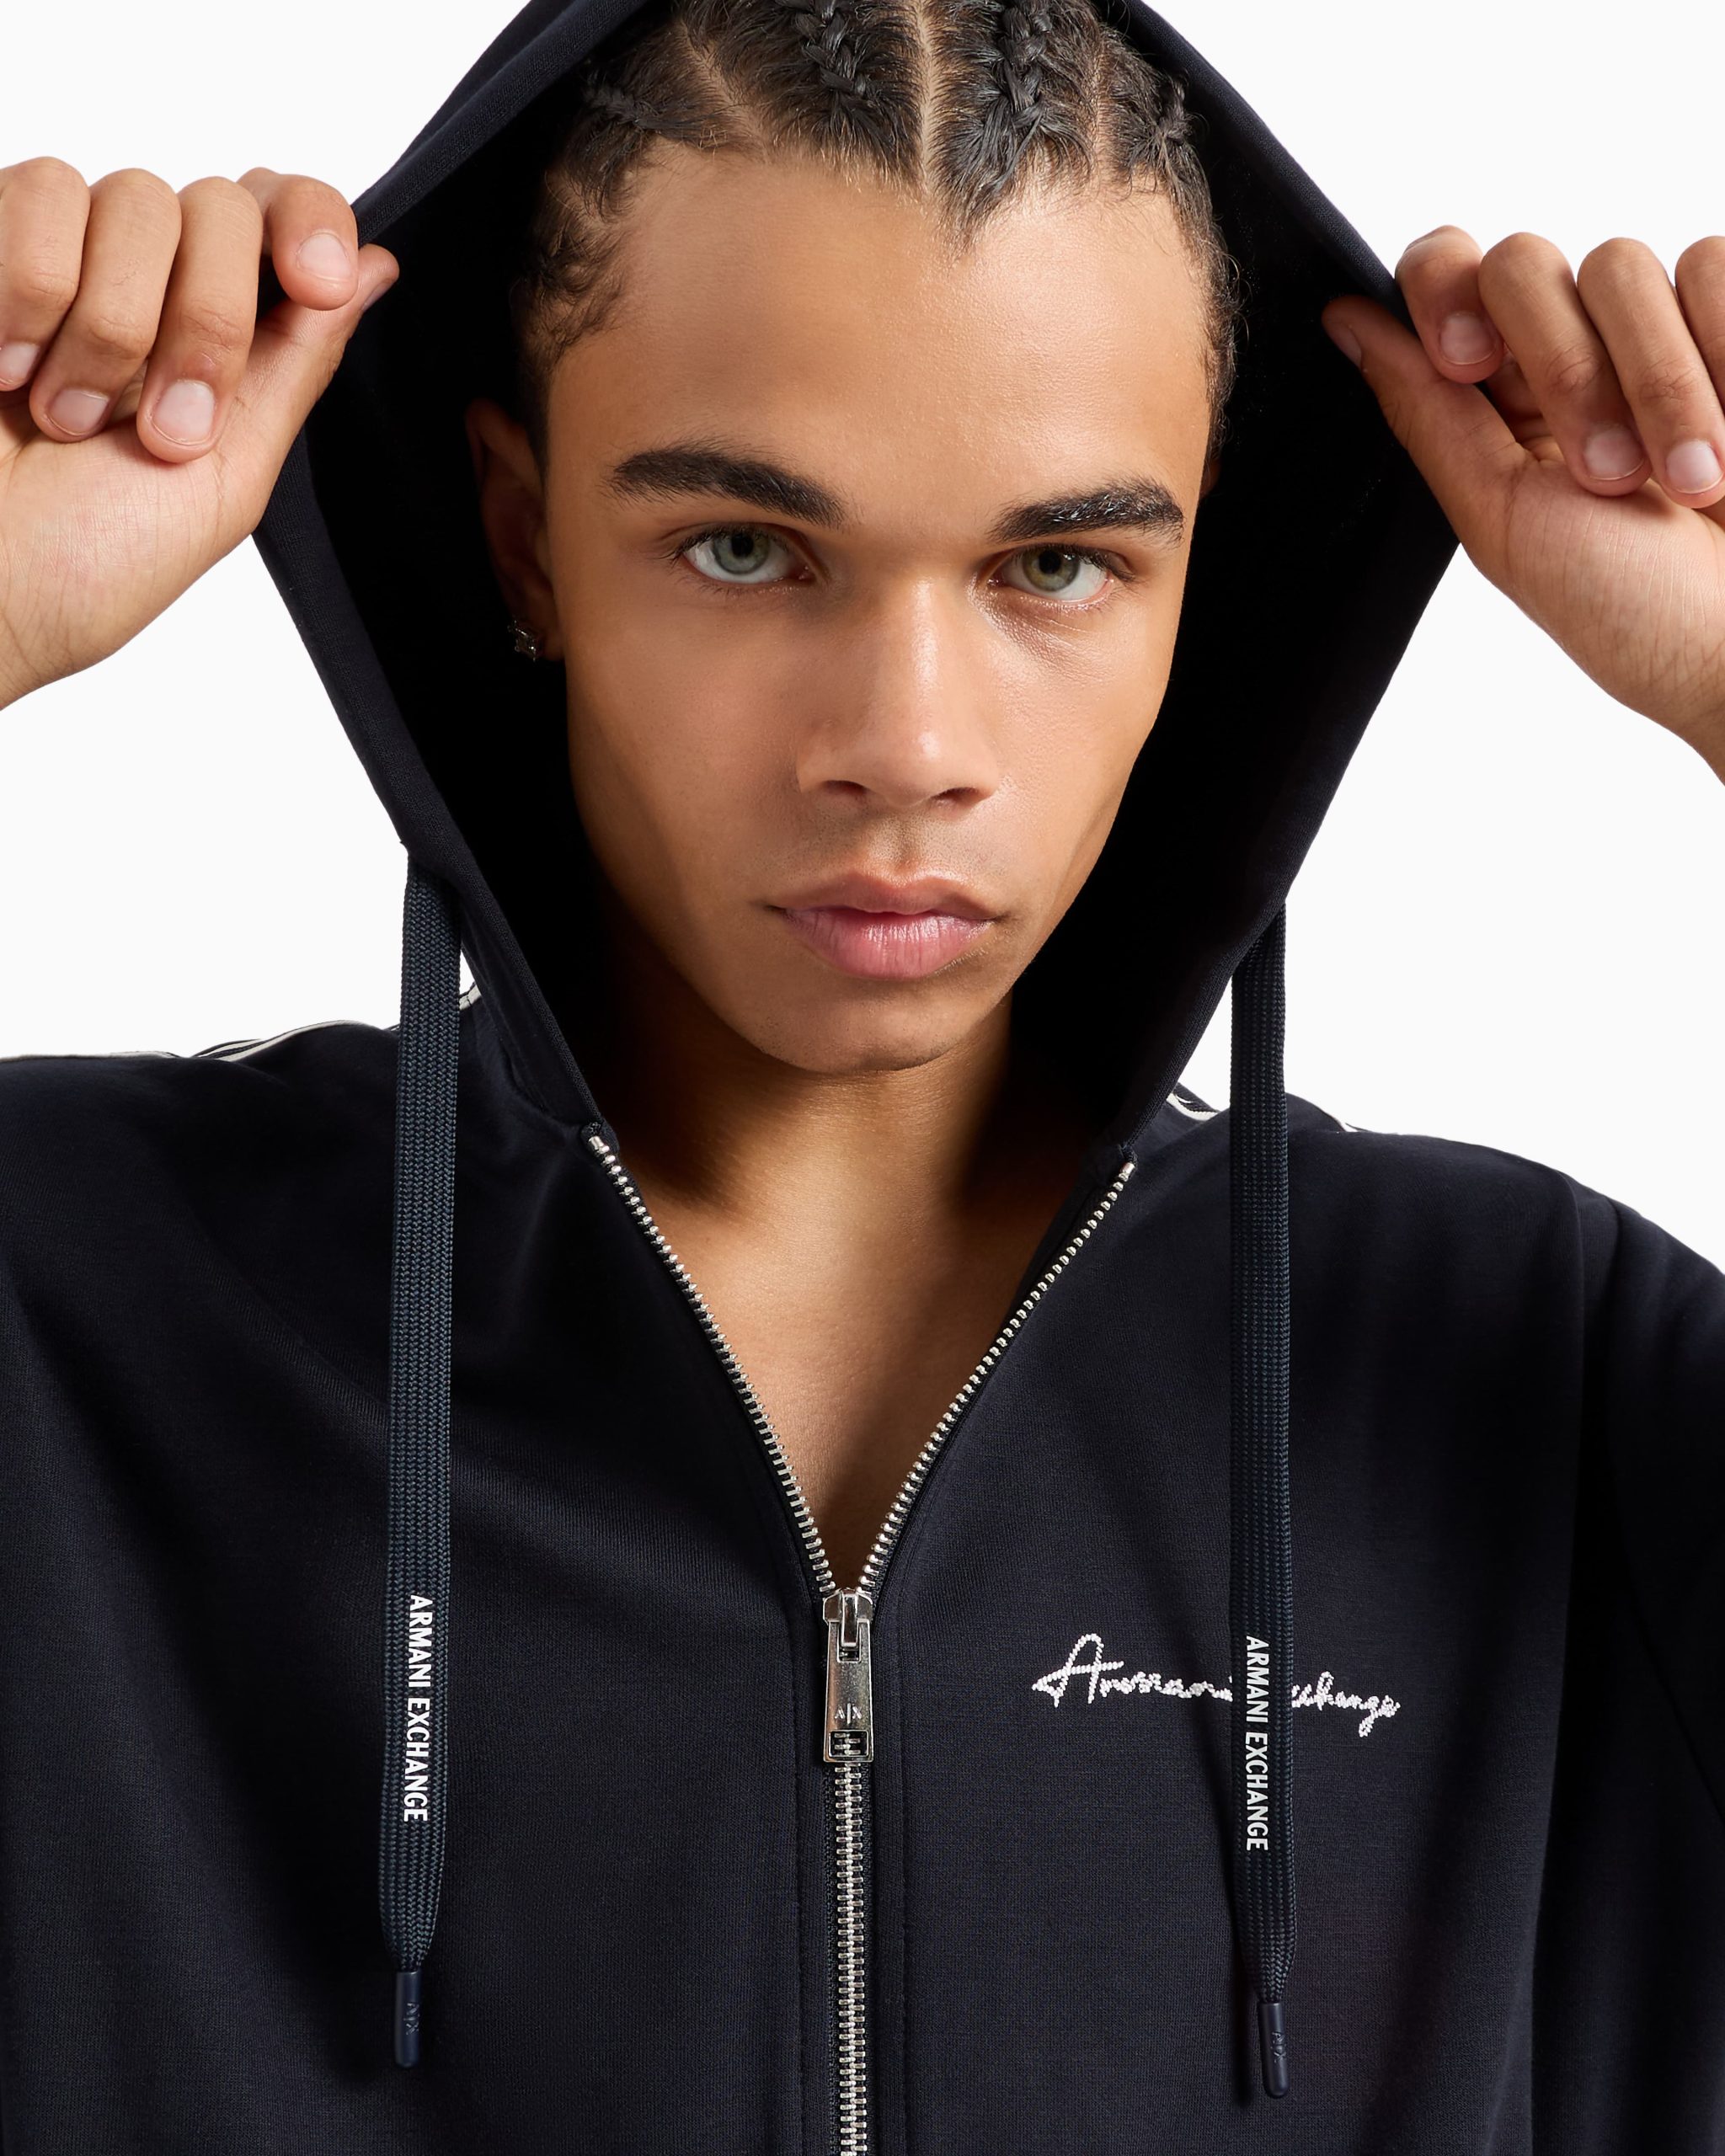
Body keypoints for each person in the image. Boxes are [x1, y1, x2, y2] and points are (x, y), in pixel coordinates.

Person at [0, 0, 1720, 2143]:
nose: (904, 745)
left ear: (1201, 571)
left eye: (1056, 565)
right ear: (524, 538)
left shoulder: (1551, 1368)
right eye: (745, 547)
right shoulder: (66, 1310)